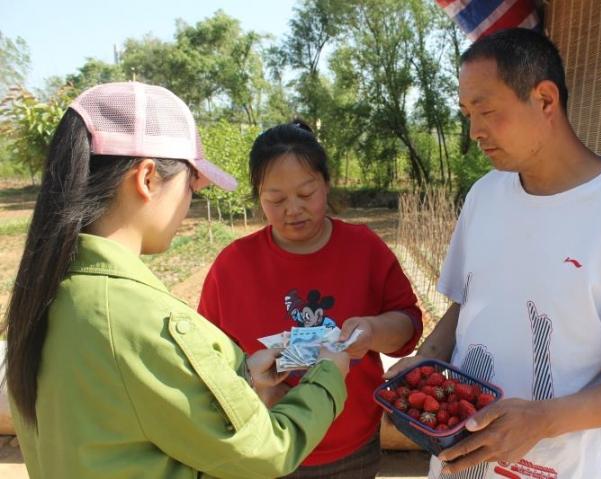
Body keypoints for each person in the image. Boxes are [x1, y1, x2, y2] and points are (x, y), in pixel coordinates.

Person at [3, 82, 350, 479]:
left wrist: (242, 377)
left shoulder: (50, 293)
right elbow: (268, 450)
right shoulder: (142, 321)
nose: (188, 204)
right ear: (148, 178)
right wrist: (328, 375)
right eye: (190, 186)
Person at [386, 28, 601, 479]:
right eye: (467, 114)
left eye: (486, 111)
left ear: (545, 99)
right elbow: (469, 302)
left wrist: (543, 419)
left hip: (556, 466)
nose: (474, 132)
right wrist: (426, 360)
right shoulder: (485, 195)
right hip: (457, 456)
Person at [198, 120, 423, 478]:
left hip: (353, 448)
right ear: (258, 196)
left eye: (306, 194)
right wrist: (257, 389)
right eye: (276, 199)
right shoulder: (233, 266)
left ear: (327, 184)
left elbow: (408, 325)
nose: (293, 210)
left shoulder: (364, 250)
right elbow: (205, 360)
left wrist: (372, 330)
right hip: (267, 446)